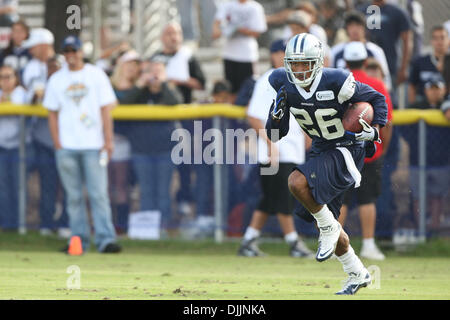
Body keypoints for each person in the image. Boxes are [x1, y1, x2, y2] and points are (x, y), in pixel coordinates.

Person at [266, 33, 387, 294]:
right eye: (294, 64)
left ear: (318, 61)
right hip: (321, 148)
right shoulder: (281, 82)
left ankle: (329, 228)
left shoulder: (336, 80)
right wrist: (276, 115)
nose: (299, 70)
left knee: (296, 182)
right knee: (329, 225)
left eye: (304, 63)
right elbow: (275, 134)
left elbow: (377, 99)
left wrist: (374, 130)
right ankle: (357, 273)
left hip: (346, 146)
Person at [44, 35, 121, 253]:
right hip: (67, 146)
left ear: (81, 52)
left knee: (98, 194)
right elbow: (52, 113)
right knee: (74, 197)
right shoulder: (57, 79)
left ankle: (105, 239)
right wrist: (57, 143)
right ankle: (78, 241)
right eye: (66, 51)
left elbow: (106, 108)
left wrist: (108, 139)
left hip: (92, 144)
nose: (70, 55)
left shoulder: (95, 75)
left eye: (73, 51)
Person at [238, 39, 314, 258]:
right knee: (283, 198)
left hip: (291, 150)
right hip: (275, 152)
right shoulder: (269, 80)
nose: (284, 56)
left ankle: (248, 241)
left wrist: (307, 134)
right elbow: (253, 116)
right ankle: (294, 243)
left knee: (270, 199)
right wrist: (271, 145)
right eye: (280, 52)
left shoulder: (298, 79)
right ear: (272, 55)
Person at [338, 42, 393, 260]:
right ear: (365, 60)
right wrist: (382, 147)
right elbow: (387, 120)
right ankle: (368, 245)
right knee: (367, 199)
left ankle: (334, 245)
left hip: (341, 149)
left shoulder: (337, 81)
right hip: (369, 150)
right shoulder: (377, 84)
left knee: (339, 199)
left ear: (346, 61)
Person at [121, 59, 183, 233]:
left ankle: (163, 228)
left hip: (165, 150)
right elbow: (124, 104)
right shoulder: (140, 93)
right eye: (151, 71)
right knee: (146, 192)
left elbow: (176, 101)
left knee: (164, 193)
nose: (155, 75)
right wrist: (140, 85)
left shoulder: (169, 90)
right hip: (142, 151)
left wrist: (163, 84)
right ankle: (147, 231)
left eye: (159, 71)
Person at [152, 22, 206, 217]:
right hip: (159, 120)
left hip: (183, 120)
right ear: (161, 37)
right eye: (169, 33)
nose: (173, 37)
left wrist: (176, 80)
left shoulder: (188, 57)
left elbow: (201, 83)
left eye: (177, 33)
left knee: (184, 162)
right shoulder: (155, 58)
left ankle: (184, 198)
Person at [22, 28, 71, 237]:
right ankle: (46, 223)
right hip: (44, 139)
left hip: (69, 140)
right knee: (48, 184)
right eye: (51, 67)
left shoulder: (70, 81)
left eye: (57, 67)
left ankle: (66, 223)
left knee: (70, 186)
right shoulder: (37, 76)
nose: (53, 70)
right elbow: (32, 99)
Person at [109, 49, 142, 234]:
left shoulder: (139, 89)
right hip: (107, 139)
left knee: (122, 184)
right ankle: (105, 223)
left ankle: (121, 225)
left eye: (135, 66)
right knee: (105, 186)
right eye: (128, 64)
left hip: (127, 142)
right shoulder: (108, 87)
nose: (131, 68)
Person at [212, 0, 267, 98]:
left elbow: (258, 31)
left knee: (249, 89)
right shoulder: (227, 5)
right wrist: (223, 31)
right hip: (229, 54)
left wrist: (240, 30)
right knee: (230, 90)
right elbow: (216, 26)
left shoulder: (255, 7)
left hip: (247, 55)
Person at [330, 11, 392, 91]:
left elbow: (386, 81)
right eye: (351, 25)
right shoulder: (335, 51)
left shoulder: (375, 51)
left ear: (364, 28)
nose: (355, 29)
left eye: (358, 25)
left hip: (370, 95)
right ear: (346, 28)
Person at [358, 0, 412, 87]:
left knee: (388, 97)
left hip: (389, 66)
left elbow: (407, 41)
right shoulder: (361, 12)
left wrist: (403, 68)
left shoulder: (397, 12)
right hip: (364, 65)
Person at [0, 65, 26, 231]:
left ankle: (20, 225)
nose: (5, 80)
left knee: (19, 186)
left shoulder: (21, 93)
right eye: (2, 77)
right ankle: (6, 224)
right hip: (1, 147)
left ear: (15, 78)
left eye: (9, 76)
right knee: (3, 187)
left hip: (20, 147)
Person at [409, 25, 449, 106]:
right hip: (423, 103)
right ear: (431, 41)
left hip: (446, 103)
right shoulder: (420, 61)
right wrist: (412, 107)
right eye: (435, 38)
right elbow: (412, 86)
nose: (439, 42)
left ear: (448, 40)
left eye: (442, 37)